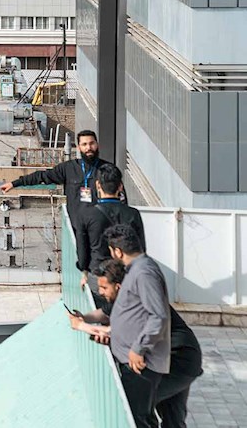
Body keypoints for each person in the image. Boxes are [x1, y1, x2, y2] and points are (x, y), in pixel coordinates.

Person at [68, 260, 203, 428]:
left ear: (117, 287)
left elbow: (110, 331)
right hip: (183, 357)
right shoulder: (129, 294)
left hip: (178, 360)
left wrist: (80, 325)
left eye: (104, 288)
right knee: (171, 418)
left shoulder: (133, 303)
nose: (100, 292)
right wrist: (84, 317)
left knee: (138, 409)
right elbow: (104, 313)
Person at [105, 224, 171, 428]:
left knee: (138, 419)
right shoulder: (136, 270)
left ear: (118, 251)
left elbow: (158, 316)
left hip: (141, 364)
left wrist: (138, 348)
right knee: (141, 417)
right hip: (134, 362)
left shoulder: (144, 273)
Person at [0, 129, 120, 231]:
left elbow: (120, 199)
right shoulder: (69, 168)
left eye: (92, 143)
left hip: (102, 228)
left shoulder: (108, 170)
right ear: (78, 148)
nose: (89, 147)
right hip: (77, 228)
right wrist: (14, 183)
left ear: (97, 144)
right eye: (84, 144)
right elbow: (42, 176)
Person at [74, 163, 146, 299]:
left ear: (98, 185)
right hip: (126, 275)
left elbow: (82, 251)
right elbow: (141, 249)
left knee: (100, 314)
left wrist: (84, 272)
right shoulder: (133, 214)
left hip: (99, 276)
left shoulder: (86, 214)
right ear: (120, 186)